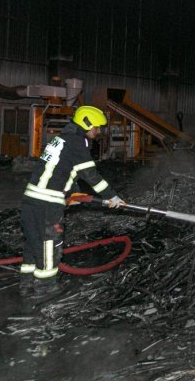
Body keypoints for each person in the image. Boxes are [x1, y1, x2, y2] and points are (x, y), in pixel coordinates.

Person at [20, 105, 125, 297]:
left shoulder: (61, 140)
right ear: (87, 124)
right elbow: (91, 176)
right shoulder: (77, 142)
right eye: (97, 127)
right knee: (49, 247)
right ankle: (45, 291)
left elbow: (65, 171)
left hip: (31, 199)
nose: (99, 131)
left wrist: (73, 195)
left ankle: (26, 286)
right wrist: (112, 196)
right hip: (47, 203)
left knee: (33, 244)